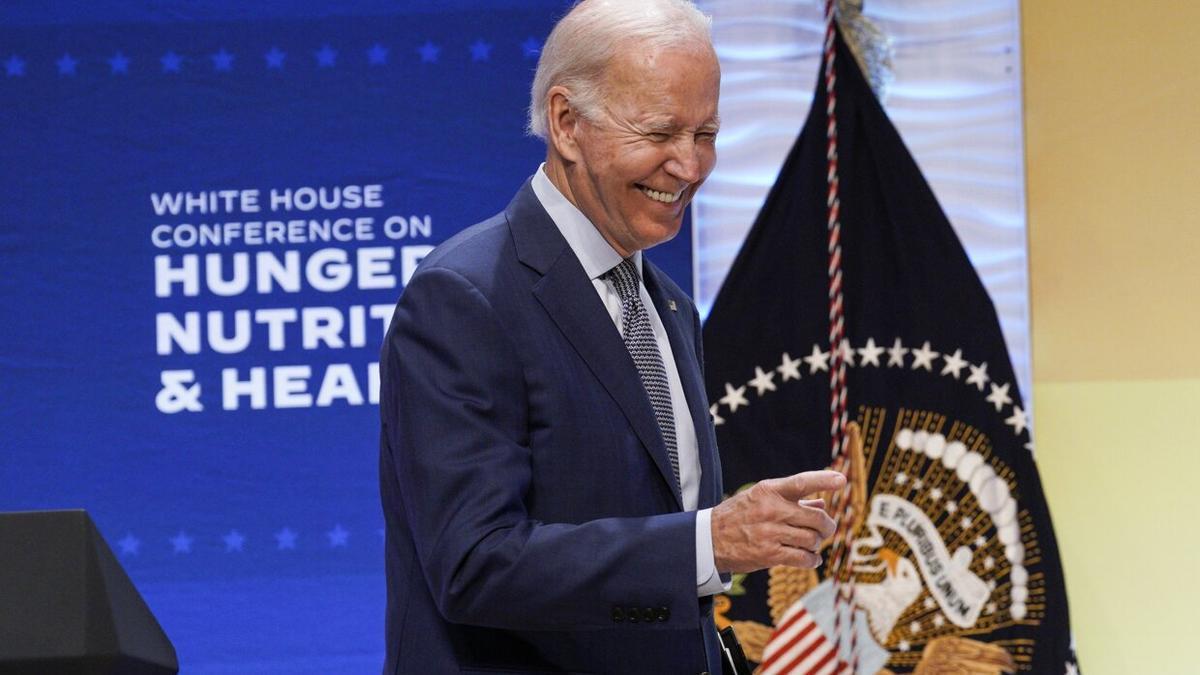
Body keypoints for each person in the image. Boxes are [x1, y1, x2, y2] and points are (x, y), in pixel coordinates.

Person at [378, 1, 845, 672]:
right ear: (567, 123)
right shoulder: (465, 297)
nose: (690, 166)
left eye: (705, 132)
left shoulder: (671, 305)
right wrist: (707, 542)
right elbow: (474, 564)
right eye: (660, 132)